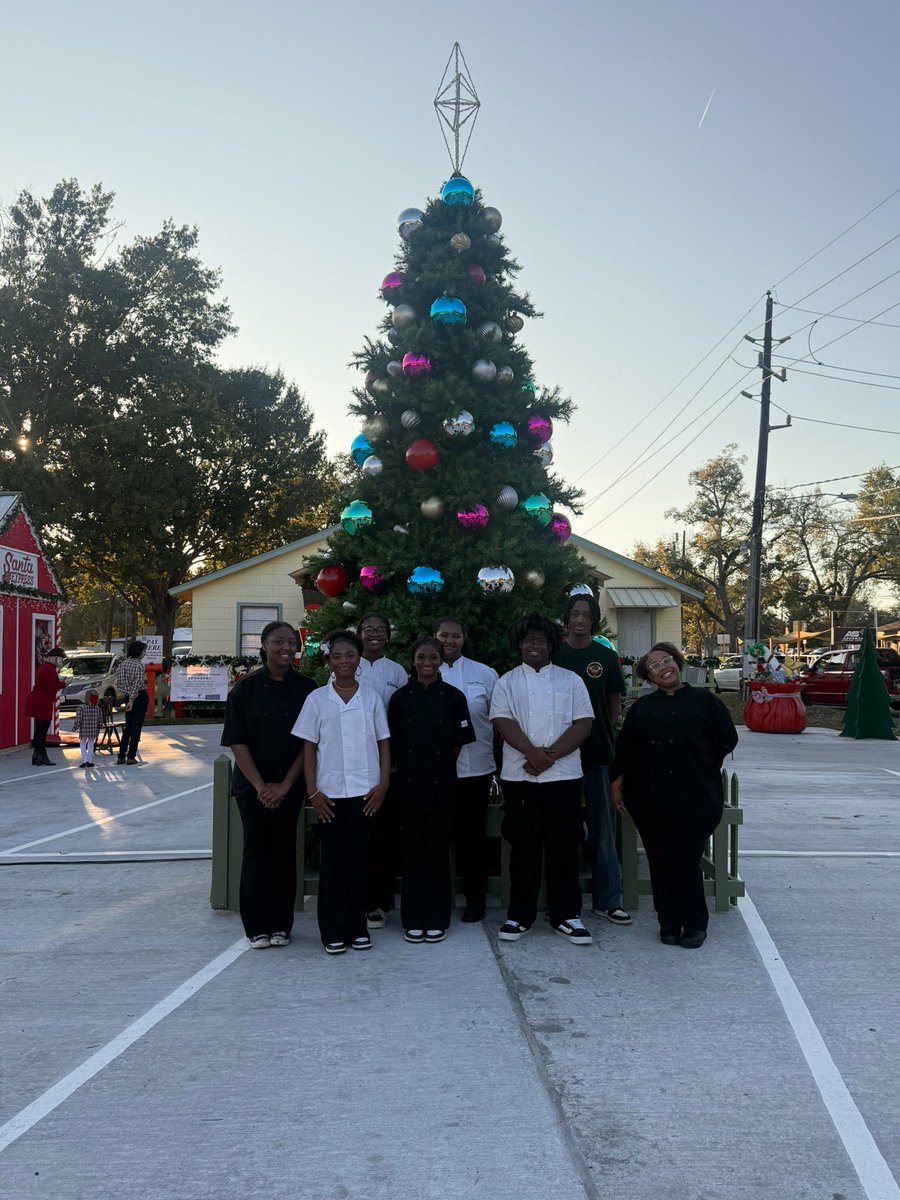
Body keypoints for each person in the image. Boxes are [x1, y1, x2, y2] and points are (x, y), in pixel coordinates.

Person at [610, 642, 738, 949]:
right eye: (654, 666)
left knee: (684, 858)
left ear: (676, 662)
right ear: (649, 677)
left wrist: (704, 763)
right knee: (660, 859)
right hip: (650, 798)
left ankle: (694, 923)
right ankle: (667, 922)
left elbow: (727, 738)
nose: (662, 667)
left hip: (695, 796)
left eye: (666, 660)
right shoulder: (642, 708)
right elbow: (626, 750)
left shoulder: (704, 700)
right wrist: (616, 784)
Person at [490, 615, 594, 946]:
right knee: (523, 848)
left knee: (564, 846)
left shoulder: (572, 681)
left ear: (551, 645)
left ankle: (567, 915)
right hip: (519, 776)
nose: (534, 645)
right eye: (528, 640)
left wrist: (546, 756)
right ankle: (520, 916)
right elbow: (503, 722)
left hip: (563, 776)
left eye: (541, 640)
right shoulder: (506, 681)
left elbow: (583, 724)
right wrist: (532, 755)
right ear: (519, 644)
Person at [294, 630, 390, 955]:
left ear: (359, 659)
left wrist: (383, 785)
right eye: (337, 656)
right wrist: (313, 792)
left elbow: (383, 743)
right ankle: (332, 930)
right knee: (332, 864)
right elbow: (309, 748)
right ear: (329, 660)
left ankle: (357, 927)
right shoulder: (317, 700)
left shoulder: (372, 698)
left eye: (350, 655)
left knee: (359, 862)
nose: (344, 661)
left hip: (366, 794)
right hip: (330, 796)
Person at [221, 621, 316, 949]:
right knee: (256, 852)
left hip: (290, 786)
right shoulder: (244, 689)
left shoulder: (307, 689)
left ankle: (281, 925)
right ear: (263, 646)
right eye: (278, 642)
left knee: (284, 853)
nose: (286, 647)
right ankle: (256, 927)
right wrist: (262, 787)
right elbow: (237, 742)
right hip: (252, 788)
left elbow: (309, 743)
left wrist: (285, 786)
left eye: (291, 642)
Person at [388, 636, 475, 944]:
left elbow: (457, 742)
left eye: (433, 658)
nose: (427, 663)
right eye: (422, 657)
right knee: (412, 853)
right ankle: (412, 919)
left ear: (441, 661)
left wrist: (437, 767)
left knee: (438, 853)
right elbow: (392, 745)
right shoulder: (400, 699)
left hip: (443, 784)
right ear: (413, 661)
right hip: (408, 784)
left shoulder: (453, 697)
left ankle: (438, 918)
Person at [555, 595, 631, 926]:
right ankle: (563, 903)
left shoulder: (604, 656)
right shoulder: (554, 653)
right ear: (566, 619)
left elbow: (613, 703)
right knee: (564, 833)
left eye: (586, 615)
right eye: (574, 614)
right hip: (559, 756)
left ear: (594, 619)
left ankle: (607, 901)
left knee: (603, 832)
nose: (580, 620)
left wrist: (603, 732)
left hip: (597, 755)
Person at [435, 616, 499, 922]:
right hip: (435, 772)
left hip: (477, 768)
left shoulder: (485, 674)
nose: (449, 640)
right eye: (444, 635)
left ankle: (476, 901)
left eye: (455, 635)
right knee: (436, 838)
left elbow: (499, 722)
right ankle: (438, 901)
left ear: (464, 638)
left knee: (473, 839)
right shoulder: (422, 671)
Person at [355, 612, 407, 931]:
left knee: (385, 838)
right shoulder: (346, 664)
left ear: (388, 635)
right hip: (354, 764)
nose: (374, 634)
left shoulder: (398, 671)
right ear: (358, 633)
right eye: (368, 629)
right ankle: (355, 899)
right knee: (357, 837)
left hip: (389, 763)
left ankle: (379, 904)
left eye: (381, 630)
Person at [24, 646, 66, 766]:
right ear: (55, 658)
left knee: (39, 730)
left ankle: (37, 755)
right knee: (42, 730)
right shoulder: (48, 669)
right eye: (61, 659)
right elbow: (51, 687)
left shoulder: (47, 668)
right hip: (41, 702)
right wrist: (64, 684)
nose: (62, 662)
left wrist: (61, 682)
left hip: (39, 701)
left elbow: (50, 684)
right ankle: (41, 755)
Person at [115, 641, 150, 765]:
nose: (144, 654)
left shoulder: (122, 665)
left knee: (128, 726)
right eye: (143, 651)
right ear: (138, 651)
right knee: (137, 726)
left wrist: (128, 696)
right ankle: (131, 756)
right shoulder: (139, 665)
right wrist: (132, 699)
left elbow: (119, 683)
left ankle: (121, 755)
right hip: (139, 696)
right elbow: (137, 684)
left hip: (127, 695)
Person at [73, 690, 103, 768]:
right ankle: (89, 761)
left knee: (82, 745)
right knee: (90, 745)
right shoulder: (98, 709)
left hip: (84, 730)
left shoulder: (81, 708)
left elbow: (78, 721)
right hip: (93, 730)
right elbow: (100, 721)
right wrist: (99, 727)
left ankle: (85, 760)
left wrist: (74, 728)